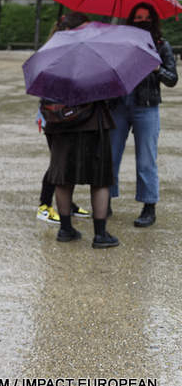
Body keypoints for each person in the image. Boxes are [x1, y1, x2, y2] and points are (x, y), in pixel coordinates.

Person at [42, 13, 118, 249]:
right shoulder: (96, 56)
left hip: (60, 124)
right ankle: (100, 234)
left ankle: (66, 230)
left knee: (63, 178)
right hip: (93, 124)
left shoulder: (51, 54)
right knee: (100, 179)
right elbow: (110, 91)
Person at [109, 2, 178, 227]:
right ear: (131, 20)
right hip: (119, 104)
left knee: (146, 160)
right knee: (111, 155)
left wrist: (156, 67)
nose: (141, 21)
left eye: (145, 17)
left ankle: (149, 207)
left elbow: (172, 79)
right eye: (137, 17)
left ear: (153, 20)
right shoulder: (121, 43)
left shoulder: (161, 45)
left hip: (146, 106)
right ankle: (105, 200)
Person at [36, 16, 91, 224]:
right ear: (69, 30)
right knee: (58, 162)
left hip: (70, 114)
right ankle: (44, 205)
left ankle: (67, 203)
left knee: (69, 160)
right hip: (54, 114)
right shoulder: (53, 51)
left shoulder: (73, 51)